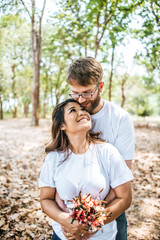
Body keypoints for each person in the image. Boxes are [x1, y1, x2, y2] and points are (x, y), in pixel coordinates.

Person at [60, 56, 134, 240]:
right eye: (75, 93)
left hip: (110, 207)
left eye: (86, 92)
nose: (80, 99)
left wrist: (90, 216)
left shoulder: (120, 119)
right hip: (68, 212)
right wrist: (69, 218)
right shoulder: (67, 116)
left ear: (100, 87)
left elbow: (123, 176)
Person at [39, 99, 134, 240]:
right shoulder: (53, 158)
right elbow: (46, 199)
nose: (82, 112)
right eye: (73, 110)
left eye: (83, 110)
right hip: (63, 235)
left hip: (104, 236)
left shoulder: (107, 152)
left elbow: (125, 197)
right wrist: (66, 220)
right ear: (62, 126)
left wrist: (93, 223)